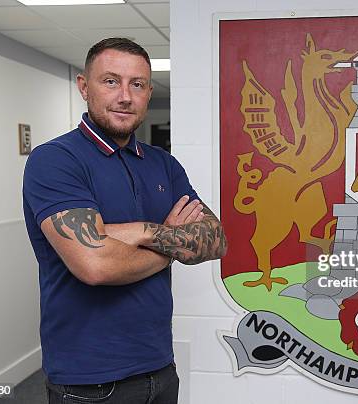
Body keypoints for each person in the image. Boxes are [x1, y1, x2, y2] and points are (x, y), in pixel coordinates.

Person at [22, 38, 227, 404]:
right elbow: (96, 265)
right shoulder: (55, 160)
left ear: (149, 91)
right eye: (111, 81)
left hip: (159, 366)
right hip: (89, 379)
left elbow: (214, 240)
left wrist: (124, 233)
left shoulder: (163, 163)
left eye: (138, 84)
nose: (125, 96)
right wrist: (166, 239)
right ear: (85, 87)